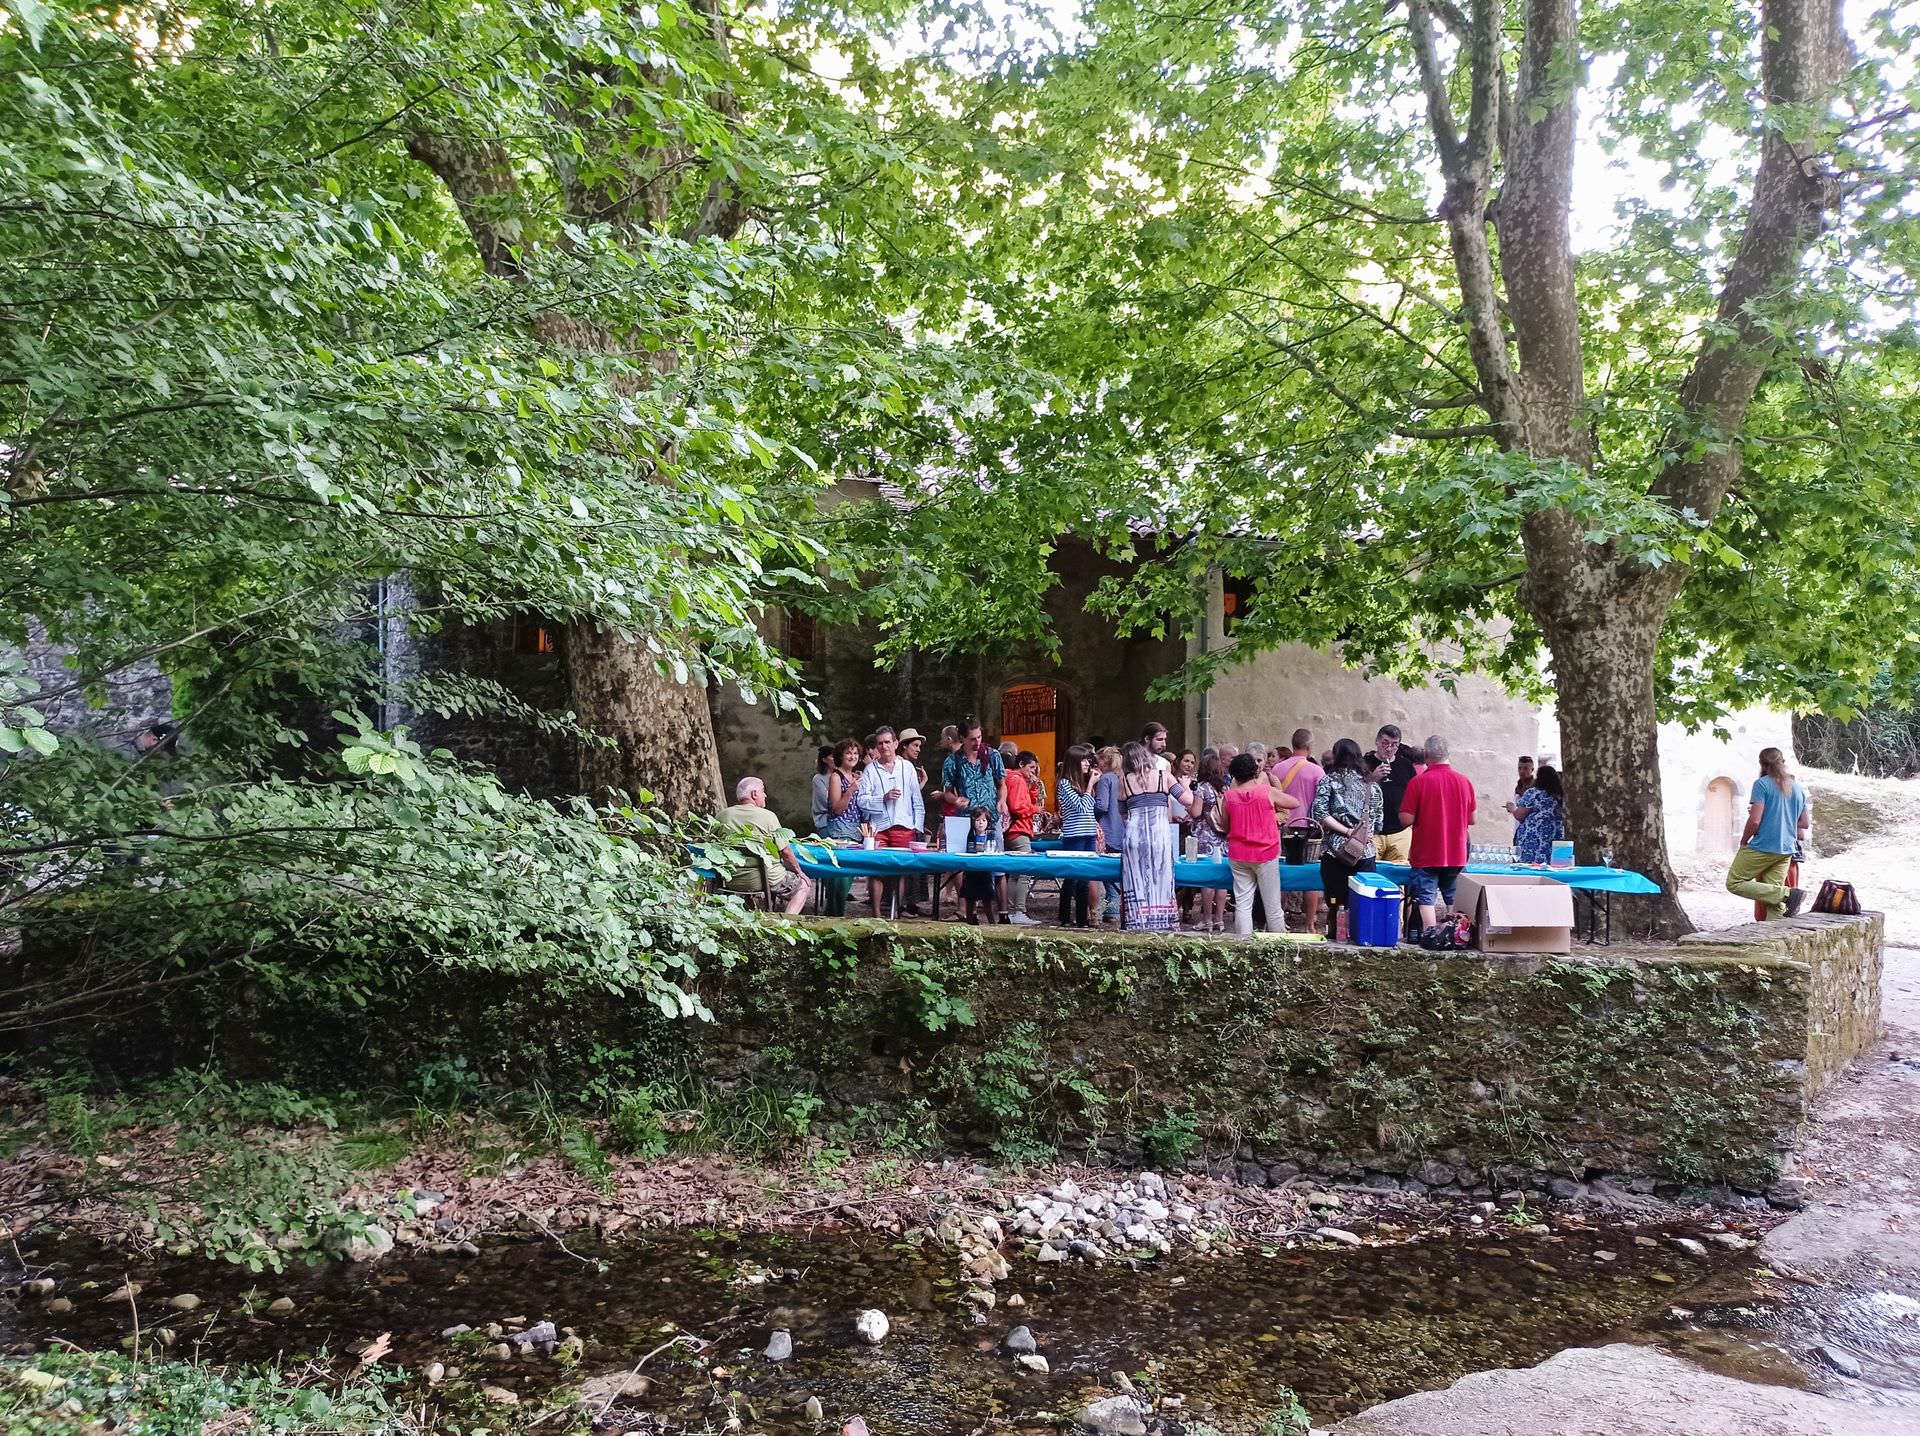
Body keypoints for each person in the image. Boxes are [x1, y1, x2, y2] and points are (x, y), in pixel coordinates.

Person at [1118, 740, 1201, 931]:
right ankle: (1162, 921)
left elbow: (1123, 814)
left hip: (1134, 835)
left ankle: (1136, 922)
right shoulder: (1165, 776)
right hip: (1159, 834)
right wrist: (1186, 786)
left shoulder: (1123, 781)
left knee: (1136, 879)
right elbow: (1188, 800)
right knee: (1161, 875)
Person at [1399, 734, 1477, 934]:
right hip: (1456, 850)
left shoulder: (1419, 782)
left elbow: (1406, 819)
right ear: (1448, 754)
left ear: (1426, 755)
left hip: (1427, 851)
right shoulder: (1464, 781)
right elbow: (1472, 819)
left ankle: (1430, 934)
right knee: (1454, 896)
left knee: (1426, 896)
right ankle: (1458, 934)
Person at [1311, 738, 1385, 939]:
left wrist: (1345, 831)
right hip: (1364, 851)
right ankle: (1361, 935)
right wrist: (1360, 835)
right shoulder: (1373, 786)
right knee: (1362, 898)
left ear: (1336, 756)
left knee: (1335, 899)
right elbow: (1378, 824)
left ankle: (1335, 934)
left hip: (1334, 852)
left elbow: (1320, 813)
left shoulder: (1328, 781)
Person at [1725, 747, 1810, 918]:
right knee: (1773, 902)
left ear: (1761, 764)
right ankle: (1774, 938)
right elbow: (1804, 823)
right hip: (1786, 849)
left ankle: (1788, 894)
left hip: (1763, 846)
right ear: (1783, 762)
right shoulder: (1798, 788)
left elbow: (1755, 820)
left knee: (1734, 883)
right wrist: (1783, 821)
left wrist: (1743, 841)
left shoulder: (1762, 784)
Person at [1218, 752, 1296, 936]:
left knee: (1243, 905)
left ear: (1234, 774)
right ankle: (1279, 950)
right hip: (1266, 853)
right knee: (1273, 907)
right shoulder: (1266, 792)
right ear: (1255, 771)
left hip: (1238, 855)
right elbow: (1294, 802)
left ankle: (1243, 948)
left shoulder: (1228, 797)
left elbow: (1225, 826)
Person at [719, 777, 813, 915]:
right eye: (763, 791)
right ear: (754, 794)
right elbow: (785, 851)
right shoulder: (768, 817)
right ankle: (786, 924)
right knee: (803, 886)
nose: (765, 795)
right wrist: (800, 872)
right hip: (765, 880)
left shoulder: (723, 815)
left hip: (731, 879)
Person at [857, 726, 924, 919]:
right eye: (880, 743)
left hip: (903, 825)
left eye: (888, 742)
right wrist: (883, 798)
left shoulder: (907, 768)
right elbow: (862, 801)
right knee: (876, 869)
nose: (884, 746)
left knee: (899, 870)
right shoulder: (870, 770)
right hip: (878, 827)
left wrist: (917, 826)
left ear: (895, 744)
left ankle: (895, 910)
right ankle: (877, 912)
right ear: (877, 747)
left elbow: (916, 799)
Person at [1273, 729, 1326, 935]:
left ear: (1292, 744)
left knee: (1280, 873)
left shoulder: (1277, 768)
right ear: (1310, 746)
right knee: (1310, 876)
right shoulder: (1316, 771)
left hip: (1282, 825)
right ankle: (1310, 923)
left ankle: (1278, 918)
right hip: (1309, 827)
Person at [1056, 742, 1103, 928]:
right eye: (1083, 760)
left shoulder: (1082, 783)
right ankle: (1065, 917)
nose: (1087, 764)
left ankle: (1083, 920)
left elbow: (1091, 807)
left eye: (1088, 760)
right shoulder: (1064, 784)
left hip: (1088, 834)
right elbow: (1082, 807)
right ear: (1074, 762)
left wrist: (1090, 785)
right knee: (1072, 877)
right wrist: (1091, 785)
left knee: (1085, 877)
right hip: (1074, 835)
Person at [816, 738, 865, 916]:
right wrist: (850, 791)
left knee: (847, 876)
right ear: (840, 756)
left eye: (855, 753)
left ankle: (836, 913)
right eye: (848, 753)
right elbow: (836, 808)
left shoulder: (856, 776)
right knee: (840, 878)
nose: (852, 756)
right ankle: (833, 915)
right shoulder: (836, 777)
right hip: (839, 831)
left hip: (856, 832)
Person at [1364, 725, 1420, 865]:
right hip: (1372, 832)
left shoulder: (1405, 765)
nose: (1389, 748)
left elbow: (1415, 795)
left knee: (1398, 878)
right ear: (1377, 741)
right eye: (1385, 743)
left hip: (1400, 832)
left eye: (1394, 745)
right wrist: (1372, 778)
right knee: (1369, 874)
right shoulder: (1364, 763)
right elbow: (1354, 794)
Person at [1001, 750, 1043, 925]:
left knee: (1015, 874)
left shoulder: (1014, 779)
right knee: (1025, 872)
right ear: (1021, 765)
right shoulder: (1017, 780)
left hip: (1013, 831)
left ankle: (1012, 910)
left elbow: (1023, 800)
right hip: (1019, 830)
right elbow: (1018, 806)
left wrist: (1032, 787)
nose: (1033, 772)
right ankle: (1019, 910)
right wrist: (1035, 809)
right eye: (1031, 768)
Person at [1190, 750, 1229, 933]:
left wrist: (1188, 808)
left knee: (1207, 878)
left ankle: (1206, 919)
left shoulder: (1202, 788)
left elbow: (1196, 813)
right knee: (1221, 879)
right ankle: (1219, 920)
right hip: (1222, 837)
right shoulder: (1224, 788)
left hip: (1206, 836)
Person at [1506, 763, 1565, 866]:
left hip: (1533, 838)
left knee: (1531, 867)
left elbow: (1520, 815)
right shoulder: (1560, 795)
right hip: (1555, 838)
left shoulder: (1533, 793)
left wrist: (1512, 809)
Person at [1092, 745, 1125, 923]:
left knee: (1106, 873)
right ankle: (1115, 909)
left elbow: (1102, 805)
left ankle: (1111, 911)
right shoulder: (1122, 778)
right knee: (1116, 871)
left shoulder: (1105, 779)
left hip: (1107, 828)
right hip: (1121, 829)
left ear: (1105, 761)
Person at [960, 806, 1000, 924]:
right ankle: (969, 922)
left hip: (985, 872)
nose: (980, 823)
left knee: (987, 900)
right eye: (977, 820)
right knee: (969, 899)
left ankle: (992, 923)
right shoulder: (968, 835)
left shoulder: (991, 837)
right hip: (971, 871)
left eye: (983, 820)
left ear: (988, 822)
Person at [810, 745, 835, 836]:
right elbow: (826, 800)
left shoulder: (841, 776)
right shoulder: (818, 779)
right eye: (832, 756)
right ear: (824, 759)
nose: (836, 759)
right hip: (825, 823)